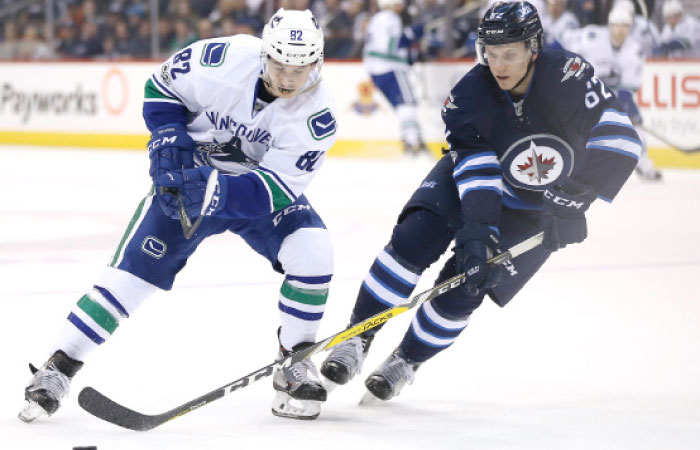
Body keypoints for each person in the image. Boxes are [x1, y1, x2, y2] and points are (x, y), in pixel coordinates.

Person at [19, 8, 337, 422]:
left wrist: (219, 191)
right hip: (187, 183)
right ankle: (57, 367)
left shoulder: (318, 115)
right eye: (279, 65)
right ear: (264, 55)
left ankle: (295, 360)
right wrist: (169, 139)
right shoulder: (221, 59)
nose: (288, 78)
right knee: (131, 275)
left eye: (301, 68)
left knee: (314, 251)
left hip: (251, 193)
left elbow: (278, 188)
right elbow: (161, 87)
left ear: (318, 62)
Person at [320, 1, 640, 402]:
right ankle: (356, 339)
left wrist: (575, 198)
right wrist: (479, 228)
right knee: (413, 240)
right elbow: (477, 170)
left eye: (510, 54)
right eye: (491, 54)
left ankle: (407, 360)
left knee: (467, 288)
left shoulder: (567, 76)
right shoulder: (469, 94)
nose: (499, 65)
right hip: (469, 187)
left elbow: (620, 138)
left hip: (537, 207)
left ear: (533, 48)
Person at [563, 5, 662, 180]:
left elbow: (628, 89)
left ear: (629, 27)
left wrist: (622, 102)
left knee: (637, 123)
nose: (620, 30)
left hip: (614, 96)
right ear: (610, 25)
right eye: (617, 25)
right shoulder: (592, 36)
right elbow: (563, 39)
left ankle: (644, 165)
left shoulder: (634, 51)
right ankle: (570, 165)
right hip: (587, 93)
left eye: (624, 26)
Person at [363, 0, 429, 156]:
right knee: (407, 104)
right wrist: (411, 35)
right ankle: (414, 143)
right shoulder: (391, 18)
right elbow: (393, 45)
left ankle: (409, 139)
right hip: (392, 67)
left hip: (375, 70)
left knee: (401, 106)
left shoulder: (376, 19)